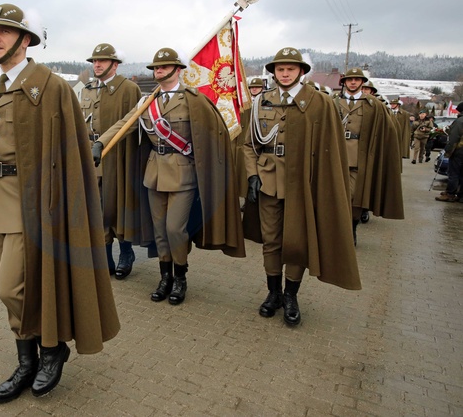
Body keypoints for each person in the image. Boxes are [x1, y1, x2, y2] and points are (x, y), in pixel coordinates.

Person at [0, 3, 120, 403]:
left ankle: (52, 348)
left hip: (35, 202)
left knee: (11, 288)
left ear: (25, 40)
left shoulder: (49, 86)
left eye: (3, 32)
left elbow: (72, 149)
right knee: (14, 288)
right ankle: (26, 362)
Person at [92, 47, 245, 305]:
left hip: (184, 173)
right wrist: (101, 144)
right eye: (156, 68)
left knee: (175, 229)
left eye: (164, 67)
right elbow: (124, 124)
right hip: (154, 172)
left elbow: (212, 136)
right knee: (160, 230)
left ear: (178, 69)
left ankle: (181, 276)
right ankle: (165, 277)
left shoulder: (192, 99)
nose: (159, 71)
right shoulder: (147, 101)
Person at [243, 47, 361, 327]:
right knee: (271, 241)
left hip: (303, 183)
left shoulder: (320, 103)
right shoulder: (262, 102)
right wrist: (252, 175)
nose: (285, 74)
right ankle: (273, 293)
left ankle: (291, 296)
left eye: (291, 69)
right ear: (274, 72)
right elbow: (249, 145)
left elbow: (331, 148)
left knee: (297, 241)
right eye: (280, 69)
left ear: (301, 72)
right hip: (269, 181)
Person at [80, 43, 142, 279]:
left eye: (102, 61)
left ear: (115, 65)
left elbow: (133, 124)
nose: (96, 65)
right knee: (97, 209)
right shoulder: (88, 89)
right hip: (92, 157)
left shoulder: (128, 89)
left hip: (118, 157)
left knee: (119, 207)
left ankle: (126, 253)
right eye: (94, 61)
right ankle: (105, 257)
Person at [337, 67, 404, 245]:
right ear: (344, 82)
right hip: (335, 156)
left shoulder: (374, 105)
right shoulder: (333, 102)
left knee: (355, 196)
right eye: (349, 79)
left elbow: (388, 131)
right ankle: (338, 231)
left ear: (362, 82)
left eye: (357, 79)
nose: (353, 82)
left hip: (359, 158)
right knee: (336, 195)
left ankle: (352, 227)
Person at [436, 102, 463, 202]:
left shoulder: (459, 121)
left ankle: (450, 194)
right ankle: (461, 195)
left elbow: (454, 138)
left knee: (453, 173)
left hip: (459, 151)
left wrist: (448, 151)